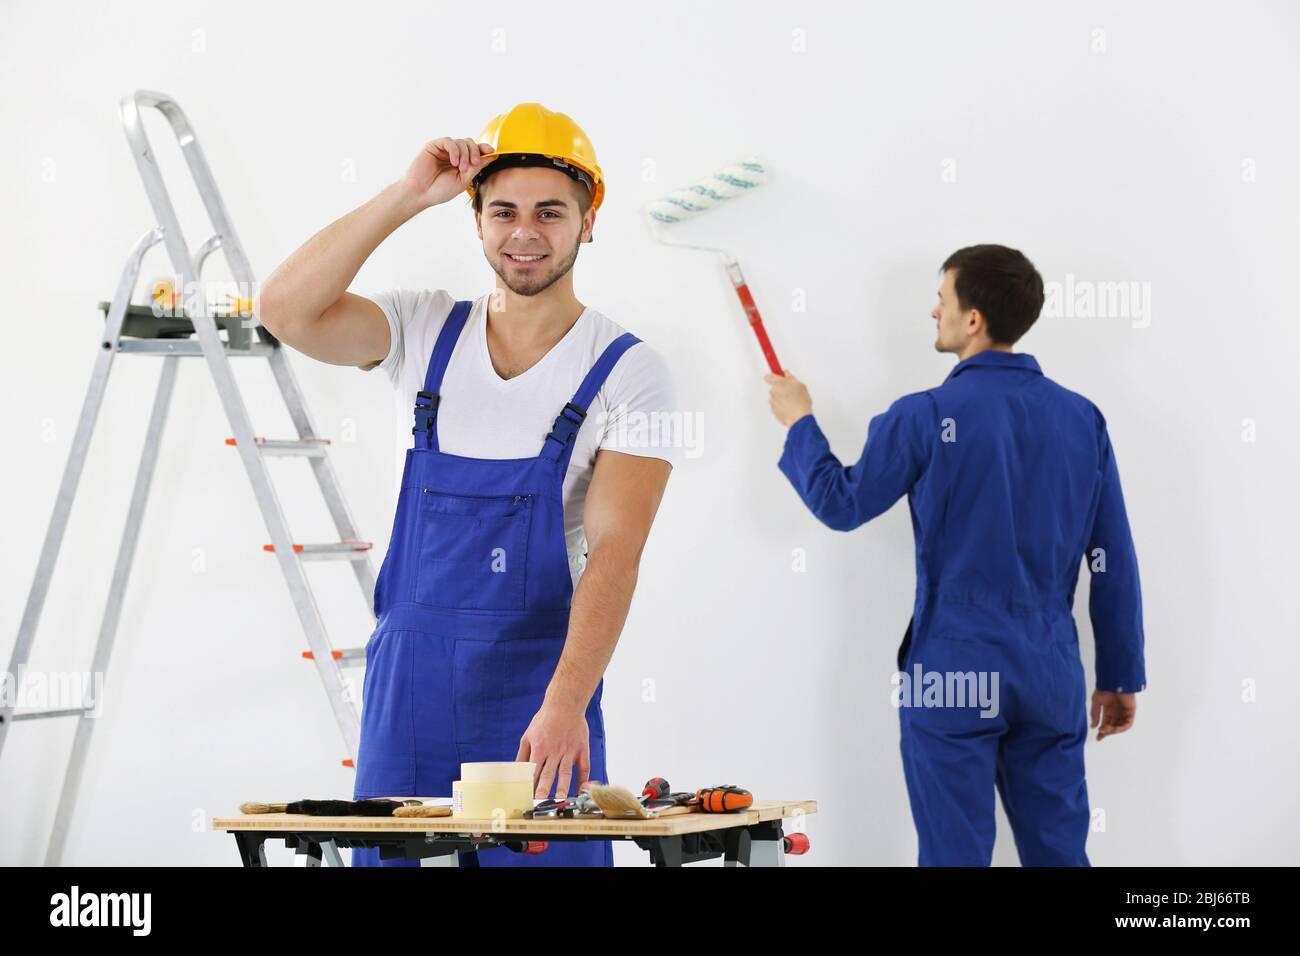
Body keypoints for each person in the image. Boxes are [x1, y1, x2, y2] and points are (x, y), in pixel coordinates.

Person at [255, 103, 676, 866]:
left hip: (540, 696)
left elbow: (617, 552)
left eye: (551, 212)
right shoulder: (422, 331)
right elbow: (283, 309)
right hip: (408, 695)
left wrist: (567, 704)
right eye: (504, 210)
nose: (526, 232)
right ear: (476, 219)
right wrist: (408, 195)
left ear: (588, 223)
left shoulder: (631, 372)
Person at [764, 244, 1145, 866]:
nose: (933, 310)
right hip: (1050, 674)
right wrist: (1120, 674)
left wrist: (800, 422)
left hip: (954, 670)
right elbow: (1112, 556)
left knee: (953, 856)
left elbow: (841, 504)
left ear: (973, 319)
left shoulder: (927, 415)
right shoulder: (1082, 419)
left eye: (942, 297)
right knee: (1060, 856)